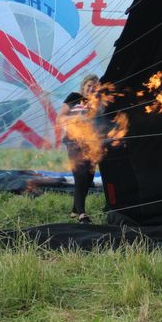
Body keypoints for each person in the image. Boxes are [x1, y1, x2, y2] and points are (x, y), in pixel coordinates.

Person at [57, 74, 101, 224]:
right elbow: (60, 117)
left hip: (92, 144)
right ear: (83, 87)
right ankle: (82, 215)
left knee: (88, 178)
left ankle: (75, 210)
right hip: (74, 142)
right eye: (89, 86)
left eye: (94, 87)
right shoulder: (74, 97)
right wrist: (77, 119)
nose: (91, 89)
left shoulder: (97, 103)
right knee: (80, 175)